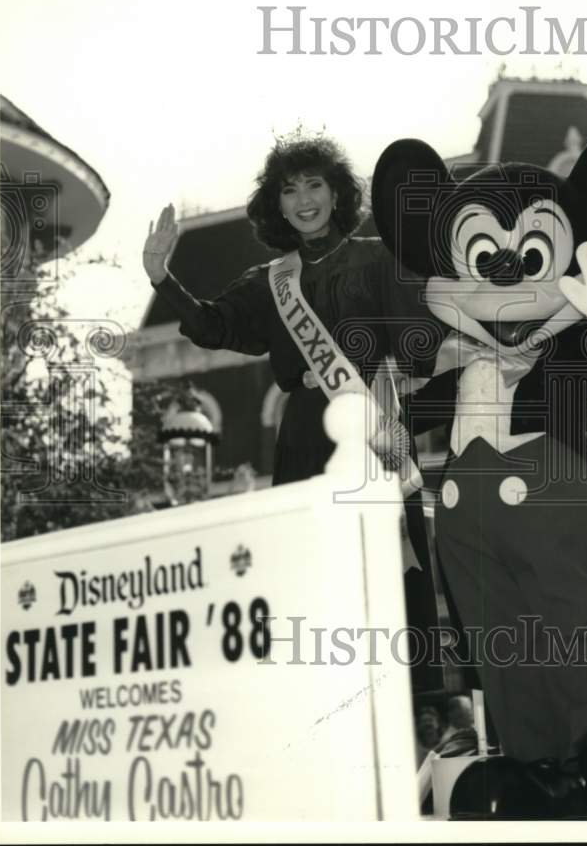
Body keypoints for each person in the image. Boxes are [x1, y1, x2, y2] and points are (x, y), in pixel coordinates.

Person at [142, 133, 445, 690]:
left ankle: (416, 714)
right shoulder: (270, 282)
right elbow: (213, 326)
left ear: (336, 194)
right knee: (317, 586)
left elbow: (421, 346)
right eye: (289, 190)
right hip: (305, 439)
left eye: (314, 184)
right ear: (276, 205)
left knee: (393, 581)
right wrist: (164, 278)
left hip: (374, 433)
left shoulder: (379, 259)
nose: (304, 199)